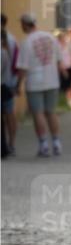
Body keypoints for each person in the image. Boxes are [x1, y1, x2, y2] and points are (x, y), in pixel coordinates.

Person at [15, 12, 63, 157]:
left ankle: (43, 145)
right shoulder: (50, 37)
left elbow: (23, 68)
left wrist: (18, 85)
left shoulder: (26, 41)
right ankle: (56, 142)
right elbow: (59, 61)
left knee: (38, 113)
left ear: (24, 24)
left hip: (34, 82)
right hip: (52, 80)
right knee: (51, 112)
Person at [1, 14, 18, 154]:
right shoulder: (12, 39)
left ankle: (8, 145)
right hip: (9, 81)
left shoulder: (9, 40)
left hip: (5, 82)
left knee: (8, 114)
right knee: (9, 114)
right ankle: (11, 144)